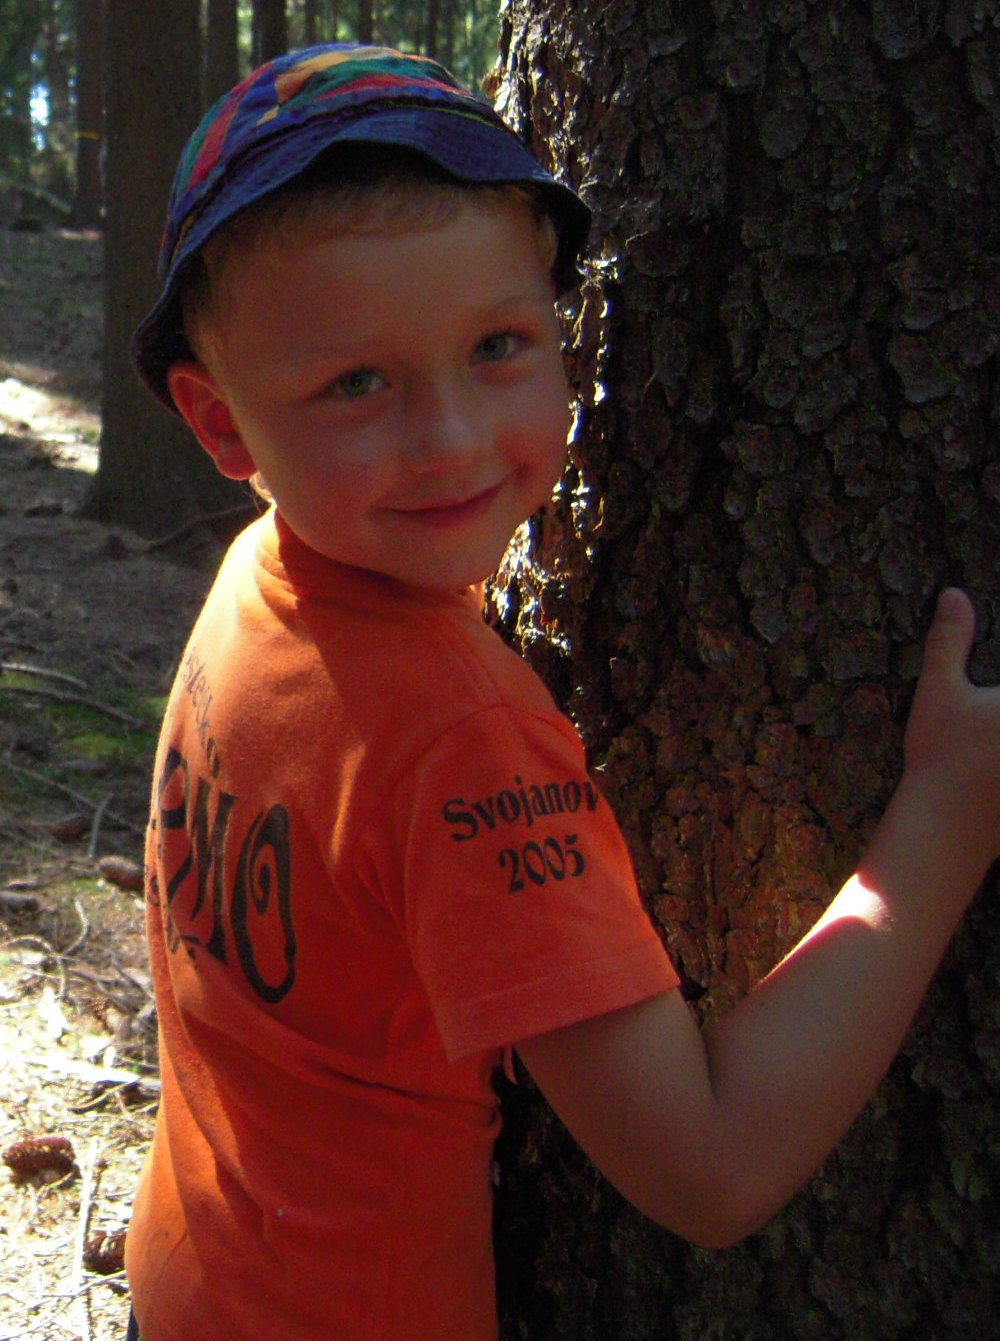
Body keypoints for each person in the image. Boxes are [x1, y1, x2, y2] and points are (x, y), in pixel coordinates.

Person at [125, 41, 1000, 1341]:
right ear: (222, 424)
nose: (452, 440)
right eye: (357, 382)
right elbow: (711, 1168)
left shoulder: (265, 575)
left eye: (498, 344)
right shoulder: (463, 737)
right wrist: (945, 820)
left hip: (189, 1282)